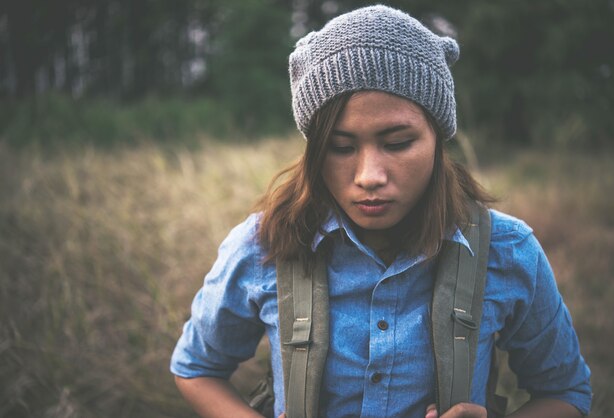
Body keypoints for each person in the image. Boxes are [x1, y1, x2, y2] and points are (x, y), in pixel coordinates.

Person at [170, 5, 592, 418]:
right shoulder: (262, 245)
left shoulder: (507, 249)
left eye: (397, 142)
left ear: (438, 139)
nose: (369, 176)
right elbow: (197, 368)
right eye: (340, 147)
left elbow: (565, 391)